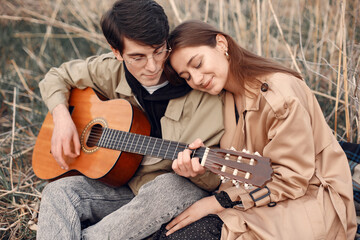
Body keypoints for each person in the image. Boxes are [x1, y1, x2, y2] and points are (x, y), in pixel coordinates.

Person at [36, 2, 225, 239]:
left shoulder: (202, 89)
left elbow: (215, 179)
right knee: (58, 192)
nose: (153, 66)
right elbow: (56, 77)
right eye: (137, 57)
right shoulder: (109, 70)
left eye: (158, 51)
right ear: (117, 52)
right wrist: (62, 118)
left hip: (167, 194)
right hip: (122, 186)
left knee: (171, 187)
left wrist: (196, 172)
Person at [153, 20, 357, 240]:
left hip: (310, 204)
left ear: (221, 43)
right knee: (167, 230)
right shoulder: (226, 97)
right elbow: (250, 168)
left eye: (198, 63)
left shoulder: (279, 95)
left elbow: (291, 179)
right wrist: (202, 169)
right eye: (187, 77)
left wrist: (219, 202)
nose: (197, 79)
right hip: (261, 200)